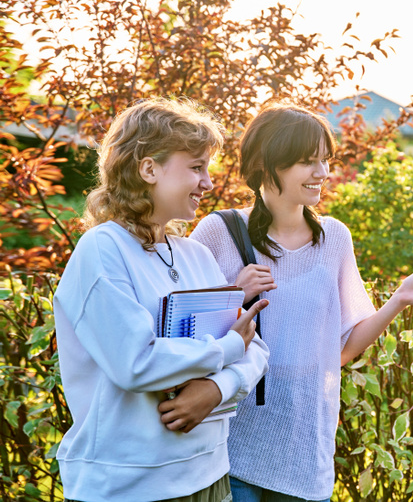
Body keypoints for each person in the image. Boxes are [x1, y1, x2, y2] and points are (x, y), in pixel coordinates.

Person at [190, 101, 413, 502]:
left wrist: (399, 301)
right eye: (308, 162)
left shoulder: (333, 238)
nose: (323, 173)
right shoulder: (219, 231)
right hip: (232, 446)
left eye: (325, 160)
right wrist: (235, 293)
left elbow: (340, 350)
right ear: (268, 165)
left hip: (306, 444)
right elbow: (181, 331)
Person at [53, 98, 271, 502]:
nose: (208, 183)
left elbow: (254, 346)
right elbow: (136, 364)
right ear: (148, 168)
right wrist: (226, 348)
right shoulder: (103, 250)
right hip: (130, 486)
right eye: (195, 167)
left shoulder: (196, 255)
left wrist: (219, 389)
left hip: (210, 475)